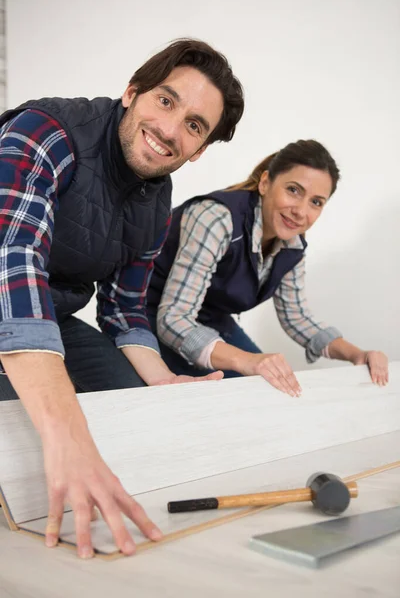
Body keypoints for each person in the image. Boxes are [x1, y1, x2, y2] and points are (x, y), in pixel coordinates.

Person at [0, 39, 244, 557]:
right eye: (166, 100)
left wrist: (163, 380)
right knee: (31, 441)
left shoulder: (157, 196)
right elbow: (11, 264)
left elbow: (124, 307)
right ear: (132, 93)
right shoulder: (47, 131)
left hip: (53, 312)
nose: (171, 130)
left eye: (195, 126)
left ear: (199, 149)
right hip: (11, 296)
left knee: (131, 407)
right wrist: (67, 431)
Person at [147, 139, 389, 397]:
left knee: (268, 390)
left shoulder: (292, 245)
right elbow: (173, 318)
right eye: (294, 190)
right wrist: (247, 361)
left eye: (316, 202)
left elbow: (297, 317)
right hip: (151, 311)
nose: (300, 211)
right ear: (265, 183)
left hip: (209, 319)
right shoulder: (217, 218)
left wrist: (357, 354)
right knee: (230, 393)